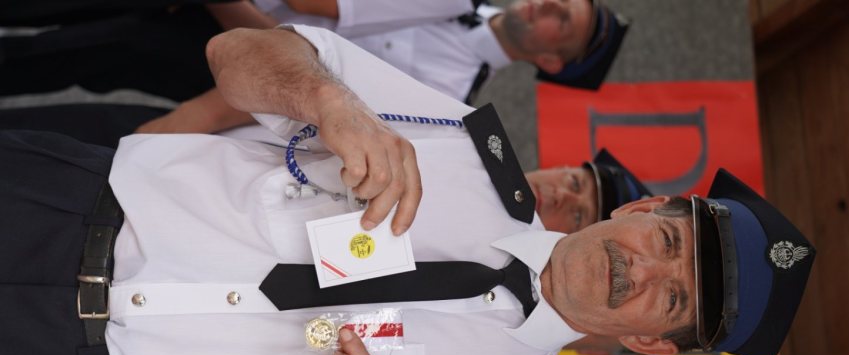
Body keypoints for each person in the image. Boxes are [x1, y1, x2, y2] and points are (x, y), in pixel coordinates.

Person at [0, 25, 815, 355]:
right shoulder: (464, 144)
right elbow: (235, 53)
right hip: (60, 208)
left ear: (651, 345)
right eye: (666, 243)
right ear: (644, 209)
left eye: (672, 301)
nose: (641, 271)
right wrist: (328, 102)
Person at [0, 0, 627, 106]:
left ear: (552, 64)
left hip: (222, 56)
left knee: (72, 54)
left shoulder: (446, 98)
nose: (546, 6)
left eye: (561, 21)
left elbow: (302, 65)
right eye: (560, 0)